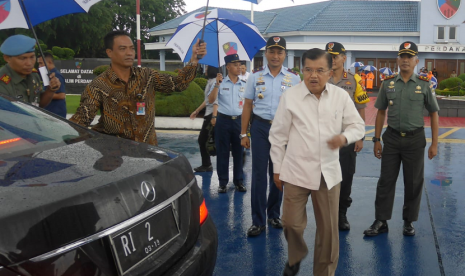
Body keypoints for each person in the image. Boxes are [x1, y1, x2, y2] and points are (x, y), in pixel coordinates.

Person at [270, 48, 365, 276]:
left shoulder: (341, 96)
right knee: (290, 223)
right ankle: (297, 253)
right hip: (295, 171)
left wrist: (344, 137)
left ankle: (324, 272)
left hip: (328, 173)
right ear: (301, 71)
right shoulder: (290, 97)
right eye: (308, 70)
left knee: (329, 233)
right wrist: (277, 169)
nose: (313, 76)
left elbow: (358, 126)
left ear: (330, 72)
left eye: (320, 70)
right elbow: (277, 136)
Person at [70, 30, 206, 145]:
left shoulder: (147, 76)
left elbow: (178, 84)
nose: (129, 53)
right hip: (115, 158)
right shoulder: (98, 86)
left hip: (148, 153)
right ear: (109, 52)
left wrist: (194, 59)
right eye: (123, 49)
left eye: (132, 48)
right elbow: (81, 121)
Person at [364, 41, 439, 237]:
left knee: (413, 182)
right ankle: (381, 220)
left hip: (415, 140)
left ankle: (408, 221)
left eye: (409, 57)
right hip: (392, 139)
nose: (405, 60)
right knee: (386, 181)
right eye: (402, 56)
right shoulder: (388, 83)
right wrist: (377, 139)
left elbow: (434, 113)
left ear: (416, 61)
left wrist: (434, 144)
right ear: (398, 60)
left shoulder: (424, 84)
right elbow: (380, 112)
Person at [241, 36, 301, 237]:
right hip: (259, 128)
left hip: (284, 130)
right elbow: (248, 105)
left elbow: (300, 109)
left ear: (285, 54)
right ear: (265, 53)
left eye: (279, 52)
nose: (275, 56)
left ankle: (274, 214)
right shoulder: (254, 77)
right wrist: (243, 133)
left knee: (279, 174)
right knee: (259, 175)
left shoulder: (294, 79)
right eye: (272, 52)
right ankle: (258, 221)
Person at [326, 42, 369, 231]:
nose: (332, 60)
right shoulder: (320, 78)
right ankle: (327, 213)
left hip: (347, 137)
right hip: (324, 137)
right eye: (329, 56)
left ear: (344, 57)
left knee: (346, 175)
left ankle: (341, 213)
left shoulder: (354, 80)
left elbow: (361, 110)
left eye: (335, 56)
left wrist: (360, 137)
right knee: (324, 176)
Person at [207, 54, 247, 193]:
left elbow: (248, 105)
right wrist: (217, 85)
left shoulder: (244, 85)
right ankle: (222, 183)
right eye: (235, 65)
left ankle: (239, 181)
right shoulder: (219, 82)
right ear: (228, 67)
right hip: (223, 121)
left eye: (240, 64)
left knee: (239, 152)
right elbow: (211, 100)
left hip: (239, 122)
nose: (239, 67)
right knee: (222, 152)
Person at [0, 35, 60, 107]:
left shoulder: (34, 75)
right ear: (7, 58)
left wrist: (50, 90)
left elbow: (39, 105)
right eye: (23, 58)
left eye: (32, 57)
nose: (29, 63)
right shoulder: (2, 82)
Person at [190, 65, 219, 172]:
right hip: (209, 114)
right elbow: (207, 100)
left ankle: (207, 165)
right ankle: (206, 164)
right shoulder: (210, 81)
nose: (205, 70)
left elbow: (215, 100)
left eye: (207, 68)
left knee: (203, 140)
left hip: (212, 115)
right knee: (209, 140)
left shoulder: (215, 82)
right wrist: (197, 111)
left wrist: (214, 116)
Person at [38, 52, 67, 118]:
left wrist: (43, 96)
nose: (39, 66)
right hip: (49, 112)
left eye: (41, 63)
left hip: (56, 113)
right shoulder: (47, 75)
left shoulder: (56, 75)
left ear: (50, 62)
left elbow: (62, 95)